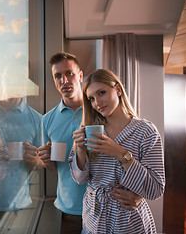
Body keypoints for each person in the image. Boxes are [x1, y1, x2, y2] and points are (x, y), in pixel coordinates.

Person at [38, 52, 142, 233]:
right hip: (69, 209)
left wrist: (140, 193)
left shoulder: (102, 112)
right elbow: (54, 167)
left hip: (110, 209)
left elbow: (130, 158)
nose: (64, 80)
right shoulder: (47, 120)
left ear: (80, 76)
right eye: (58, 76)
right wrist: (46, 161)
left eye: (69, 73)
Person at [70, 68, 165, 233]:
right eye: (91, 98)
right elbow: (79, 179)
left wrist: (120, 154)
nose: (97, 103)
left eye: (102, 93)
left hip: (129, 225)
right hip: (93, 223)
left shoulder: (146, 131)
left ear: (118, 90)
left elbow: (155, 188)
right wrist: (80, 150)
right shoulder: (89, 130)